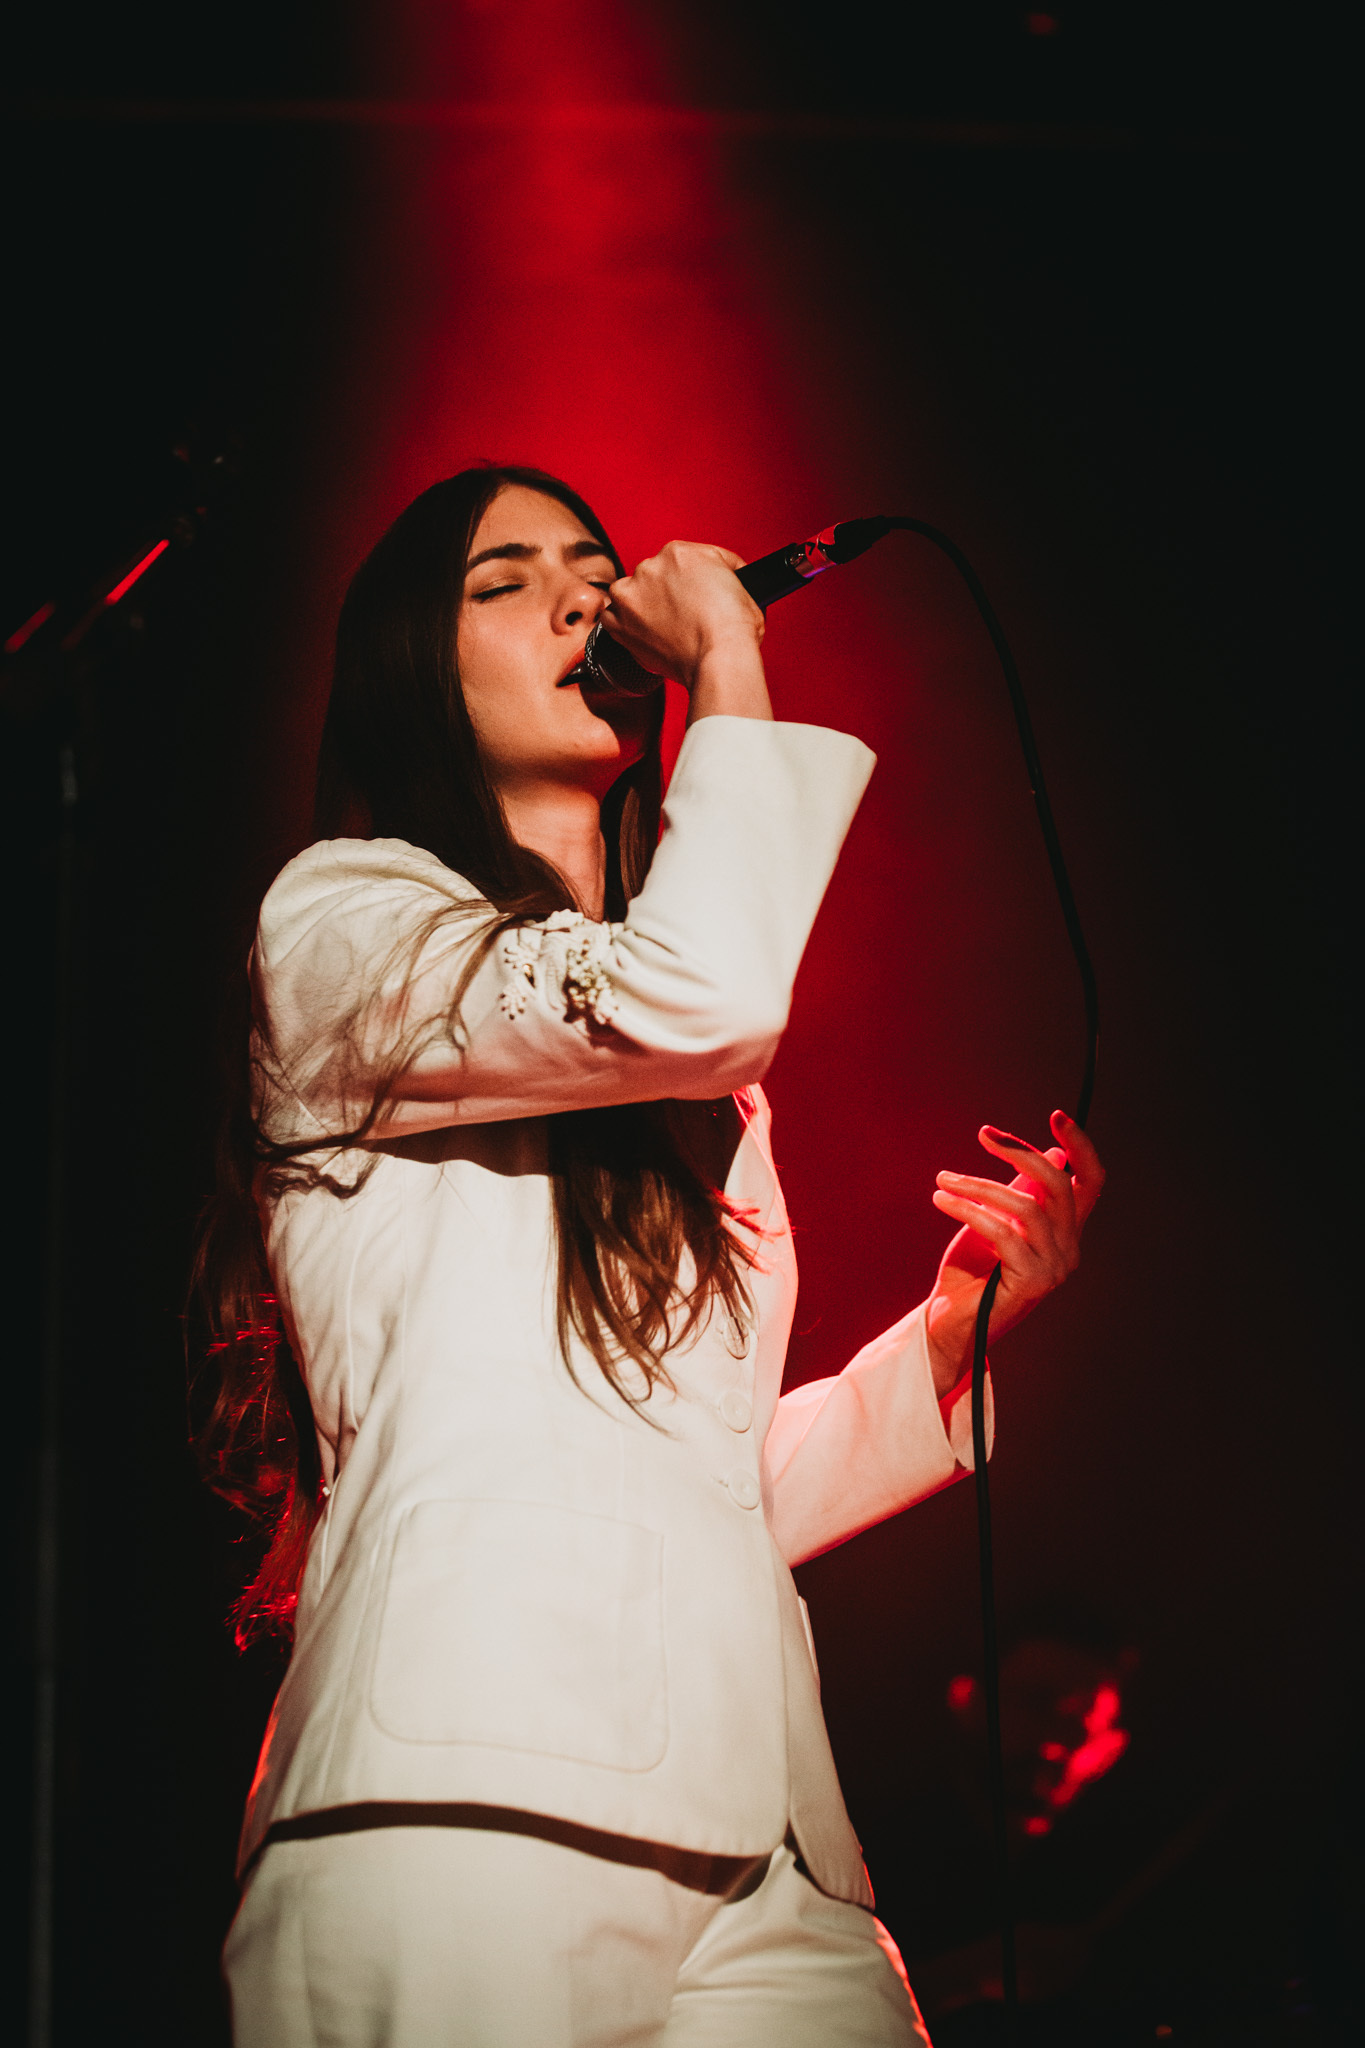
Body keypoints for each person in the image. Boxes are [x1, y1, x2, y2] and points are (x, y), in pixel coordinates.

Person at [196, 464, 1104, 2046]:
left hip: (765, 1836)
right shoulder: (342, 924)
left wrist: (945, 1340)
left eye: (596, 567)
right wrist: (735, 667)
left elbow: (696, 1481)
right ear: (417, 660)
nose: (582, 599)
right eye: (507, 580)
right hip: (458, 1785)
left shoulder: (691, 1079)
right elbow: (695, 991)